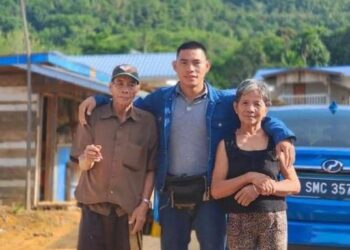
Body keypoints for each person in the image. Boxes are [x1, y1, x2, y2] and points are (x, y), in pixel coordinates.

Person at [78, 41, 296, 250]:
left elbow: (258, 114)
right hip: (171, 195)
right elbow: (126, 104)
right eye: (184, 62)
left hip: (209, 196)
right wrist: (99, 100)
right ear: (175, 66)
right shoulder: (160, 100)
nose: (190, 68)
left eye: (196, 62)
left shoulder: (224, 102)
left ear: (207, 66)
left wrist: (282, 135)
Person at [71, 64, 158, 250]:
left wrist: (144, 205)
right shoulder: (92, 116)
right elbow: (82, 164)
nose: (125, 89)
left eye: (131, 84)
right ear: (110, 87)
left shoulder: (147, 123)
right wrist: (87, 158)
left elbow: (151, 169)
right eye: (119, 83)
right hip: (93, 210)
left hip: (127, 214)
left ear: (138, 88)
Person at [211, 79, 300, 250]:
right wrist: (249, 177)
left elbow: (294, 185)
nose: (250, 109)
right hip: (239, 221)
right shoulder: (227, 144)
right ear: (236, 107)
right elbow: (216, 190)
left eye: (257, 104)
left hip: (274, 220)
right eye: (245, 103)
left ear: (266, 108)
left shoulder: (277, 142)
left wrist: (261, 187)